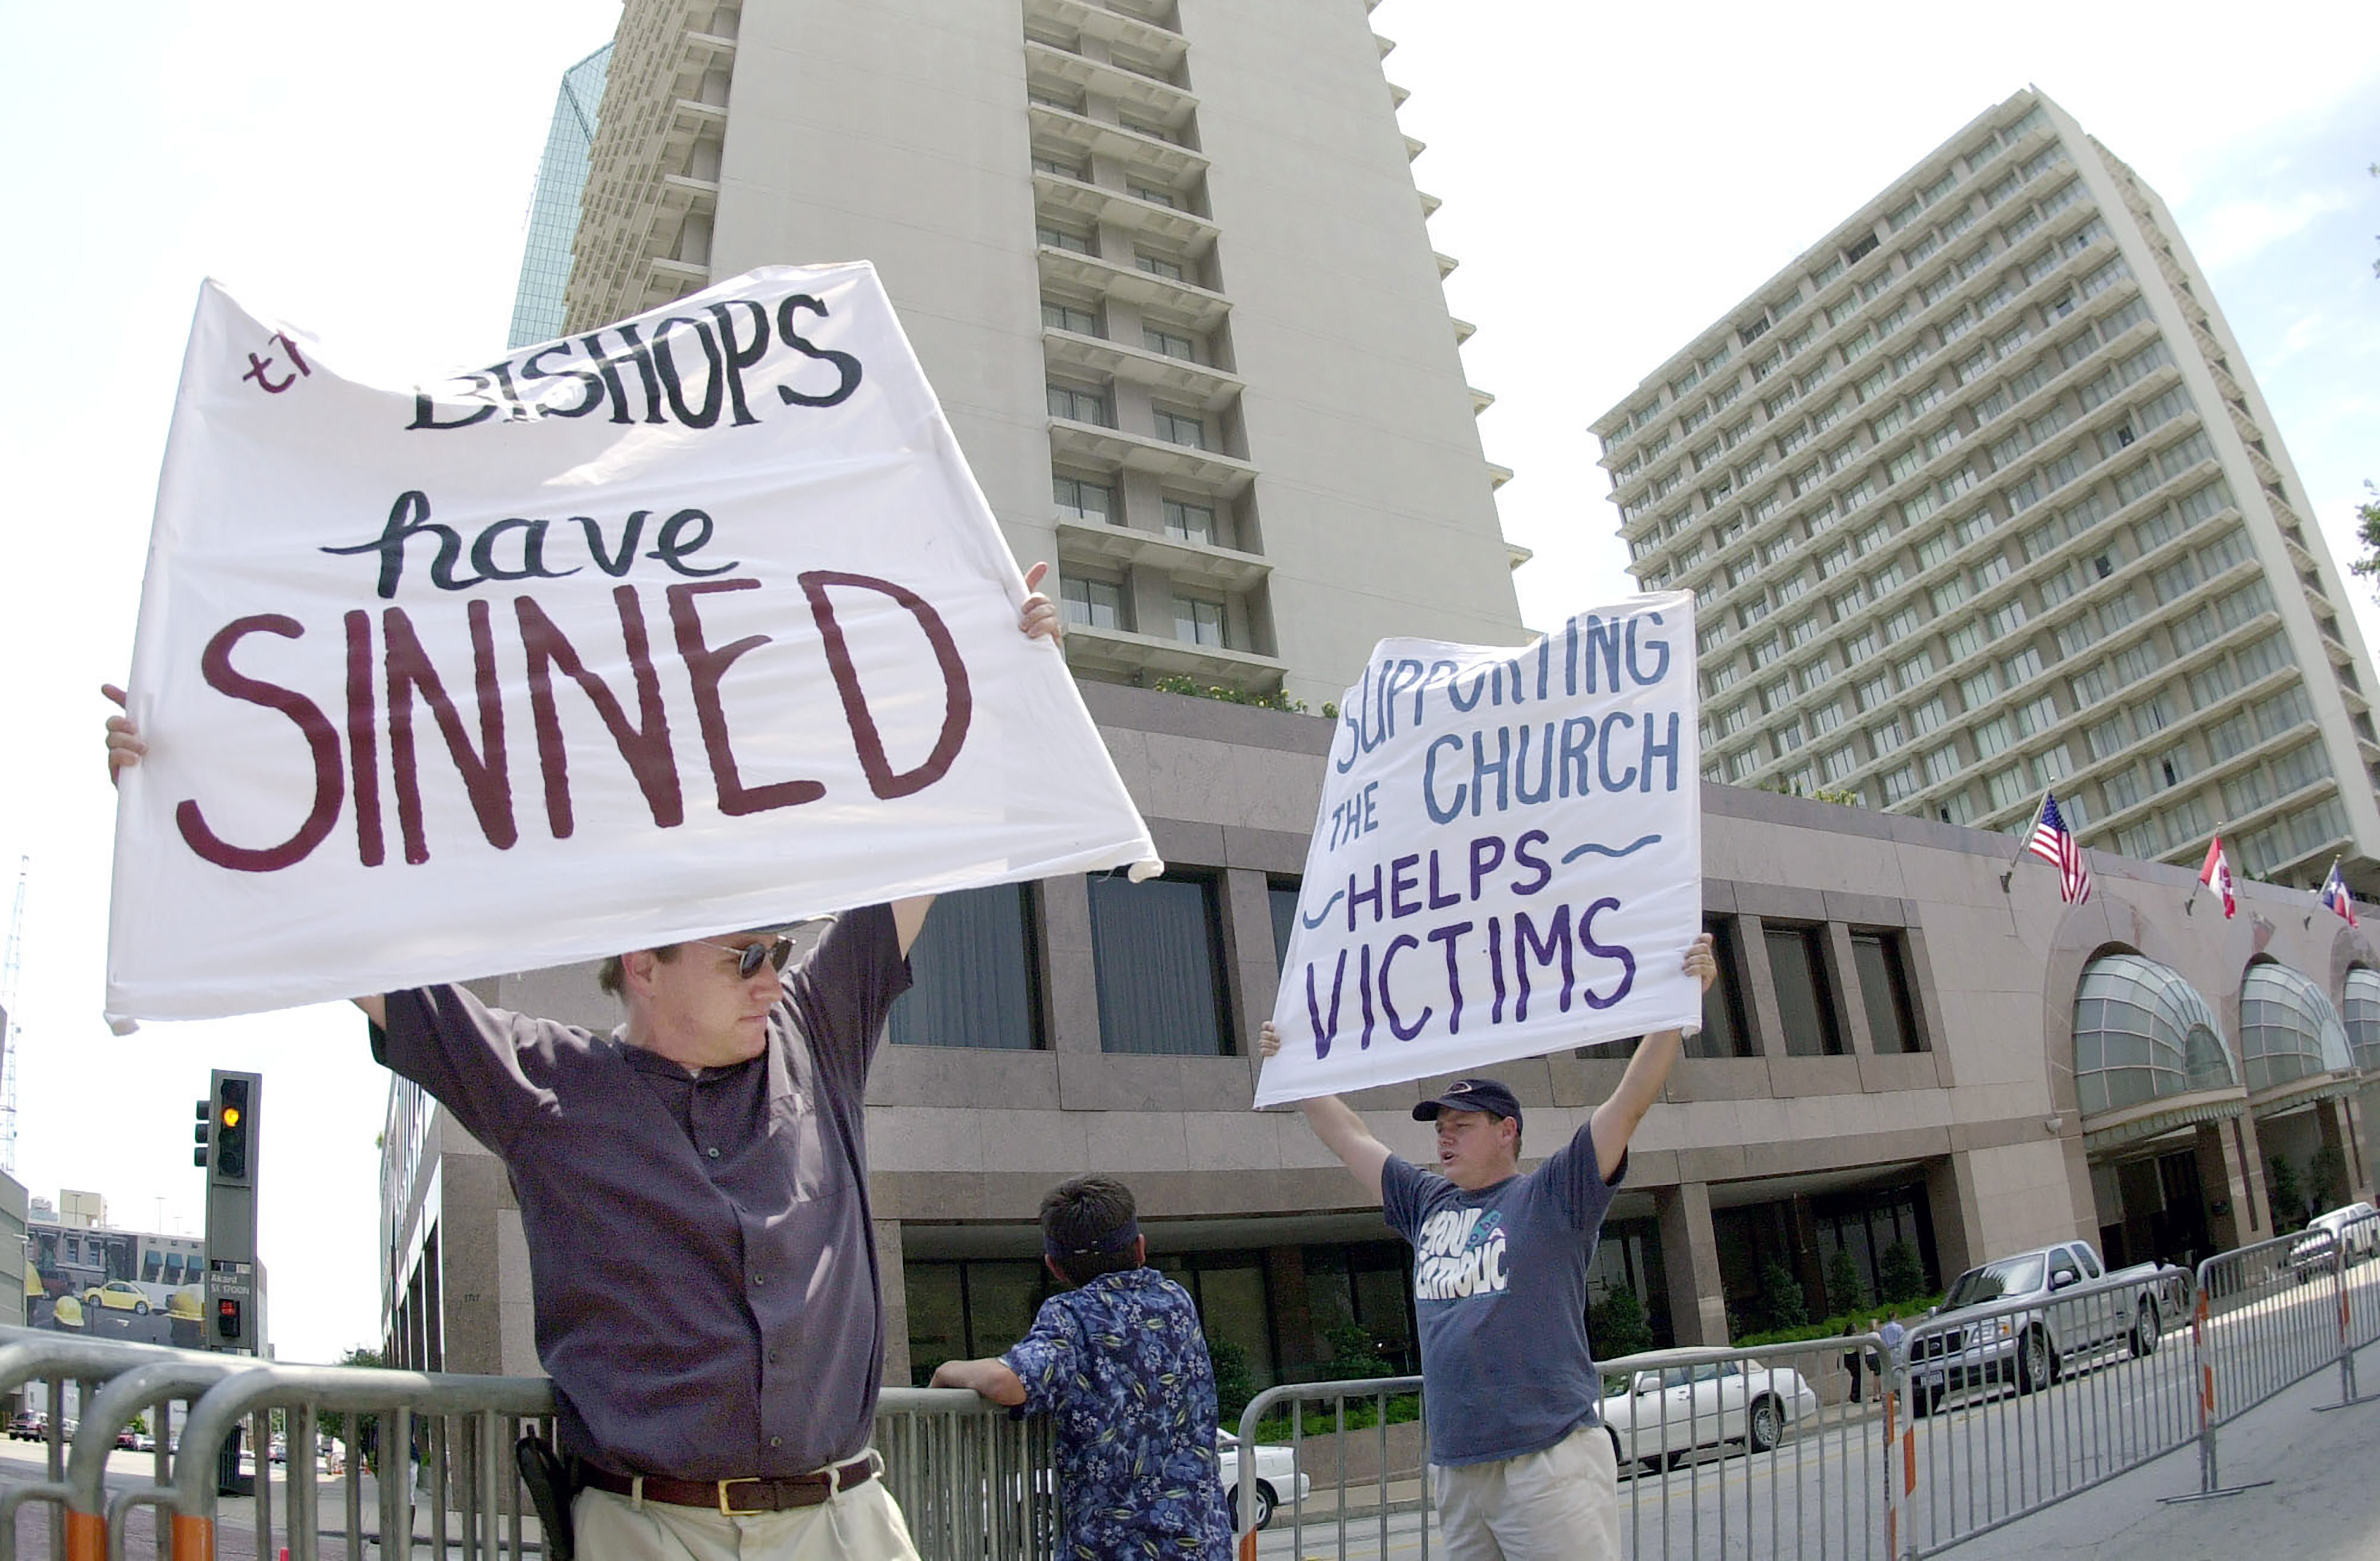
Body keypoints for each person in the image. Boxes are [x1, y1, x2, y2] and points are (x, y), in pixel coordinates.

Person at [105, 566, 1067, 1561]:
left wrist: (1004, 669)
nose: (774, 974)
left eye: (779, 949)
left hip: (846, 1522)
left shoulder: (815, 1034)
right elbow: (343, 938)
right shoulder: (546, 1087)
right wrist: (188, 786)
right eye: (746, 954)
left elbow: (932, 844)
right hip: (647, 1529)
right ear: (643, 966)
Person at [1258, 934, 1716, 1561]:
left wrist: (1673, 1012)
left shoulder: (1555, 1194)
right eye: (1440, 1130)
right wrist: (1296, 1069)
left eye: (1460, 1127)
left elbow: (1626, 1106)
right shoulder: (1424, 1201)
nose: (1444, 1140)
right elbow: (1348, 1136)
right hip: (1457, 1467)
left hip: (1548, 1460)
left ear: (1507, 1132)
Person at [929, 1175, 1232, 1558]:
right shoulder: (1177, 1301)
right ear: (1140, 1247)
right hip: (1200, 1541)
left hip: (1113, 1545)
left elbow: (1008, 1381)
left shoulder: (1070, 1315)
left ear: (1054, 1267)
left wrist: (947, 1370)